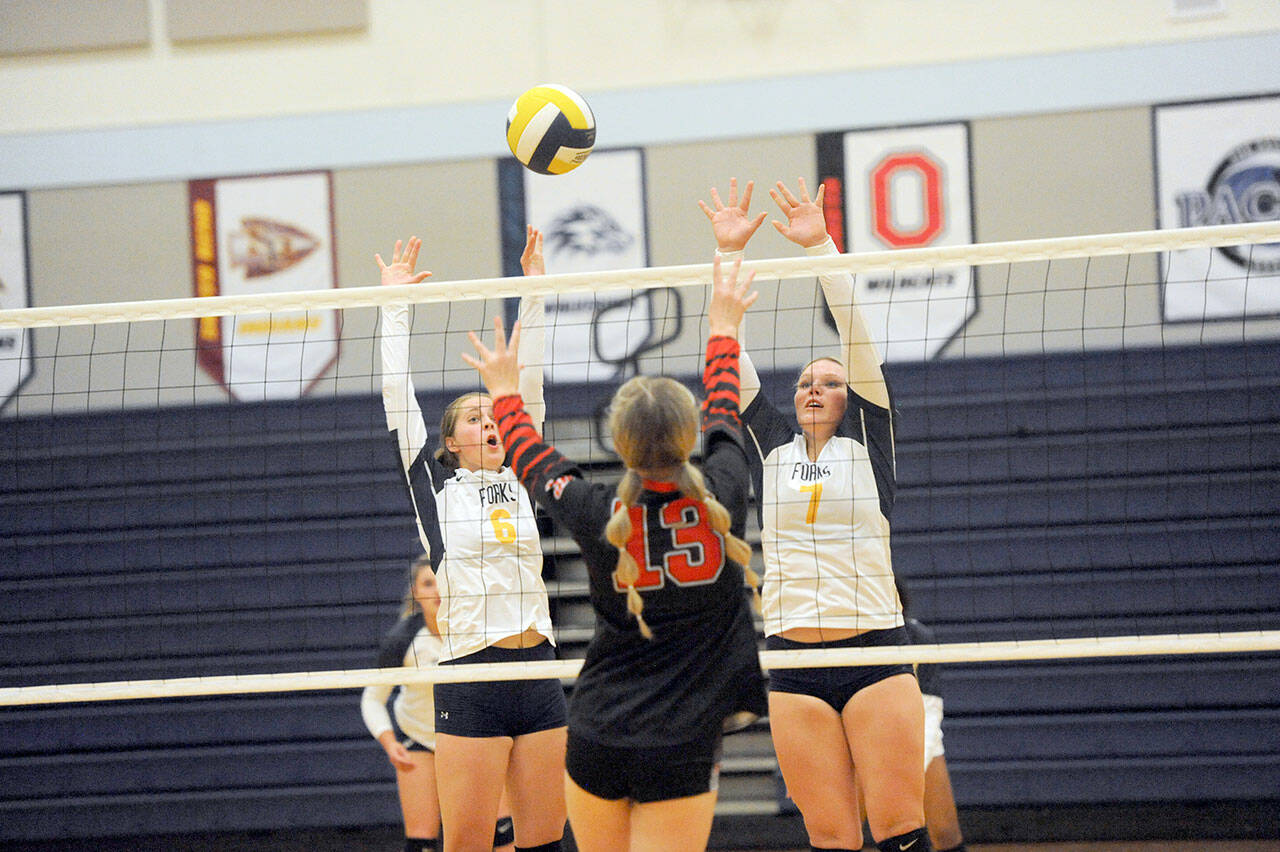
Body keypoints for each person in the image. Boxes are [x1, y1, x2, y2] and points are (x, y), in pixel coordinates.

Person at [461, 255, 768, 852]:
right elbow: (728, 410)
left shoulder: (599, 512)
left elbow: (528, 454)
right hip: (681, 742)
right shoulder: (724, 495)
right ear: (689, 435)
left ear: (620, 444)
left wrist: (503, 389)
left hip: (598, 734)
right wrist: (724, 324)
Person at [699, 178, 931, 852]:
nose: (812, 387)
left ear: (851, 396)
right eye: (804, 380)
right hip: (793, 660)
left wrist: (821, 245)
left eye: (829, 381)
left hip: (876, 651)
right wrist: (726, 252)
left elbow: (856, 335)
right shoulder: (771, 446)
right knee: (830, 837)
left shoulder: (870, 440)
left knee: (899, 830)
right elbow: (726, 353)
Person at [375, 227, 567, 852]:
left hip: (538, 670)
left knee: (543, 841)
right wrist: (395, 305)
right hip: (471, 679)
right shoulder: (436, 489)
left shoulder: (524, 474)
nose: (490, 424)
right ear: (452, 442)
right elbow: (395, 397)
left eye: (494, 417)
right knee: (466, 844)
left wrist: (534, 288)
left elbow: (529, 384)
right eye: (475, 420)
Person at [360, 555, 516, 852]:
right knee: (421, 843)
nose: (437, 590)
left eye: (442, 581)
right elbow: (372, 698)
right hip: (420, 738)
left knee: (502, 833)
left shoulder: (481, 631)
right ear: (416, 593)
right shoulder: (403, 639)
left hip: (477, 738)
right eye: (428, 583)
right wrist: (389, 741)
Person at [897, 580, 967, 852]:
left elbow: (930, 711)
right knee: (846, 835)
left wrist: (908, 765)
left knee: (946, 834)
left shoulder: (917, 636)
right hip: (864, 745)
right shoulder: (851, 640)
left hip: (918, 741)